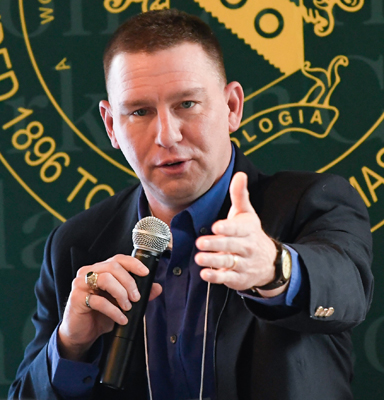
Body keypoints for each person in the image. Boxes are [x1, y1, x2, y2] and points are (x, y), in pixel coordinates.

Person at [9, 9, 373, 400]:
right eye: (139, 112)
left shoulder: (313, 202)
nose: (167, 134)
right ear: (112, 126)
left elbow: (347, 292)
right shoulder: (73, 245)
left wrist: (274, 268)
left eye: (186, 104)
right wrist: (69, 346)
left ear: (232, 107)